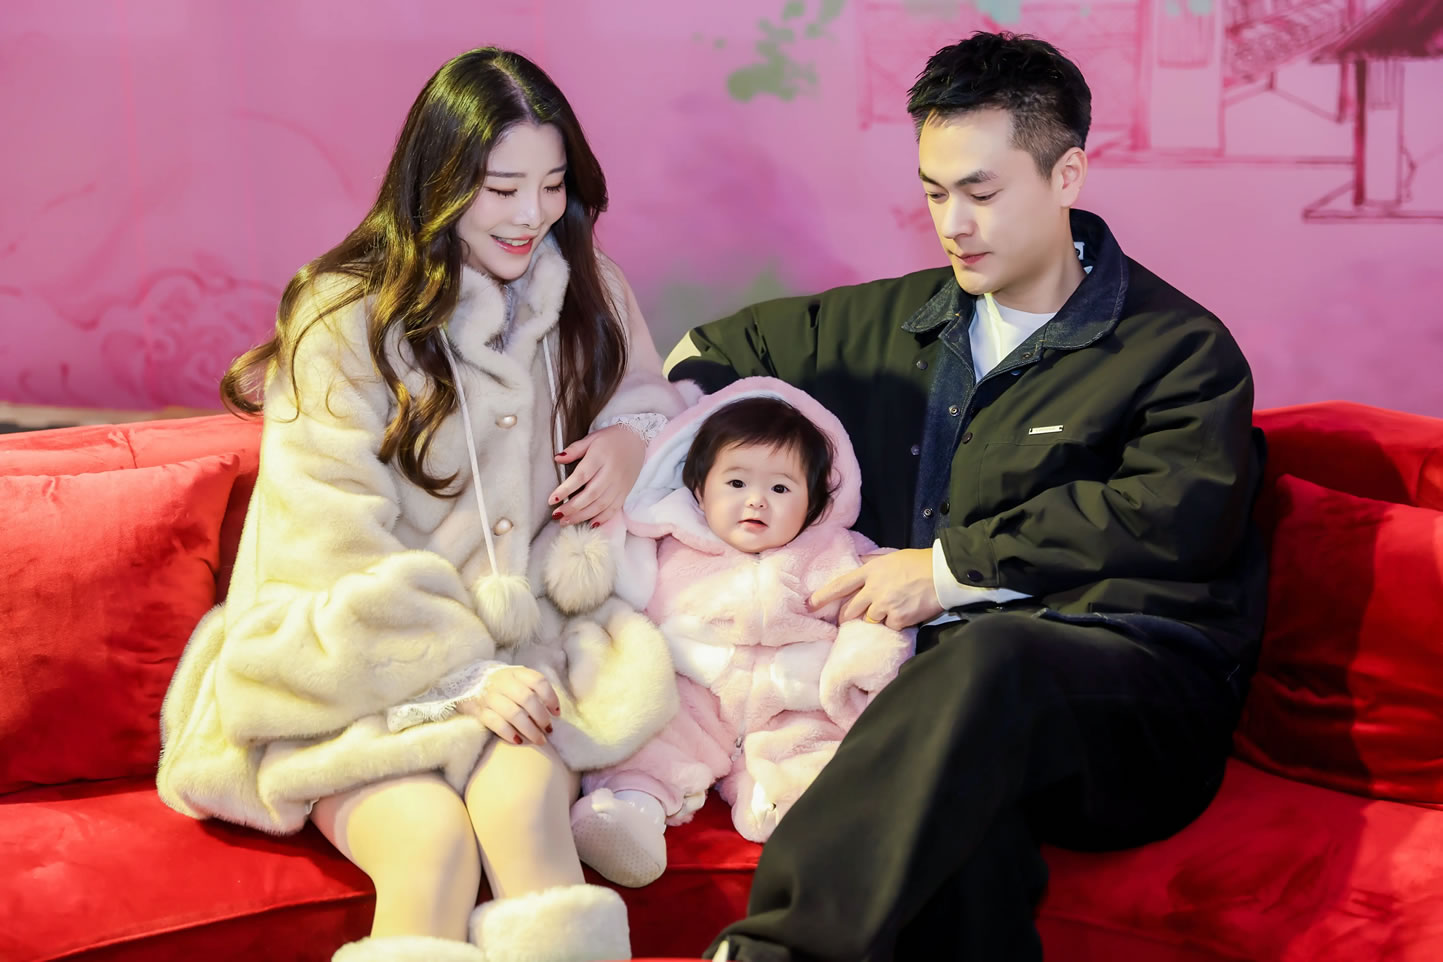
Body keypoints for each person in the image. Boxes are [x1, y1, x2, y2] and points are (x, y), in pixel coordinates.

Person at [668, 31, 1270, 962]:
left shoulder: (1179, 351)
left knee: (987, 666)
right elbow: (707, 355)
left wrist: (946, 572)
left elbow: (1173, 517)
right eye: (934, 192)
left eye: (981, 193)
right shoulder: (887, 321)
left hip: (1135, 701)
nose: (953, 223)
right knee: (961, 832)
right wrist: (637, 437)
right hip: (947, 709)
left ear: (1066, 175)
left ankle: (775, 953)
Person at [155, 47, 686, 962]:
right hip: (352, 672)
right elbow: (327, 547)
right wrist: (458, 677)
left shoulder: (588, 287)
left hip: (525, 660)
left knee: (525, 809)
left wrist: (630, 440)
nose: (531, 215)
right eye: (500, 188)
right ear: (438, 183)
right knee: (431, 842)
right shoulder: (341, 317)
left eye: (552, 185)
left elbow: (649, 397)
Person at [568, 380, 913, 887]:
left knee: (815, 756)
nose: (756, 501)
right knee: (652, 739)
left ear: (815, 502)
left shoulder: (834, 554)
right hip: (695, 695)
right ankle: (631, 812)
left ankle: (791, 814)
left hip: (790, 703)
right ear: (698, 489)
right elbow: (619, 604)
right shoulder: (667, 542)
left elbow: (874, 614)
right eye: (735, 483)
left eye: (780, 489)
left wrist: (855, 672)